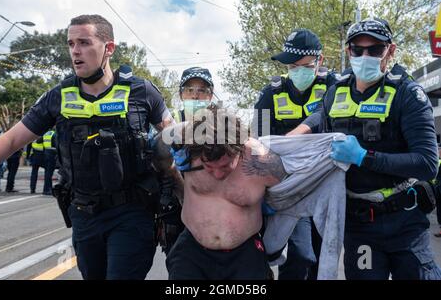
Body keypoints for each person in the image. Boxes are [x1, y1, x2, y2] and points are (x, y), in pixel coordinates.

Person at [0, 14, 174, 280]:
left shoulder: (142, 92)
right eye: (71, 43)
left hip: (132, 213)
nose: (75, 51)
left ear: (108, 48)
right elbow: (9, 141)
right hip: (84, 216)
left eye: (84, 42)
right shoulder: (57, 97)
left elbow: (175, 138)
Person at [292, 18, 441, 279]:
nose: (365, 56)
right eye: (357, 50)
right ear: (348, 51)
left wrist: (364, 157)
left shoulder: (408, 94)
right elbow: (315, 123)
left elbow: (427, 163)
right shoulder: (333, 94)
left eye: (375, 50)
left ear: (390, 51)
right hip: (359, 224)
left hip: (404, 220)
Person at [160, 105, 286, 279]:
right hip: (192, 250)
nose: (218, 174)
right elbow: (158, 151)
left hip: (244, 253)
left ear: (240, 149)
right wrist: (176, 178)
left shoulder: (261, 159)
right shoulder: (188, 149)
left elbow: (297, 186)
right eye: (209, 167)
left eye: (226, 166)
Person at [254, 29, 332, 279]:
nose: (298, 71)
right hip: (288, 189)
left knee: (322, 259)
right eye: (292, 66)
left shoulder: (334, 86)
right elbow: (257, 139)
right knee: (300, 256)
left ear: (319, 61)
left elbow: (325, 113)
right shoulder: (271, 94)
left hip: (326, 187)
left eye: (305, 65)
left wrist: (298, 132)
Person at [157, 67, 214, 255]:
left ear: (211, 95)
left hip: (213, 209)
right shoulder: (168, 123)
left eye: (202, 90)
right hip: (176, 210)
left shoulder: (223, 124)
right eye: (190, 90)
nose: (195, 96)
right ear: (181, 95)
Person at [42, 130, 57, 195]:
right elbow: (56, 145)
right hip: (52, 154)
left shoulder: (46, 134)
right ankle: (48, 189)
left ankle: (46, 189)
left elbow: (39, 141)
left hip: (46, 154)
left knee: (47, 173)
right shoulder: (54, 134)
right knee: (49, 174)